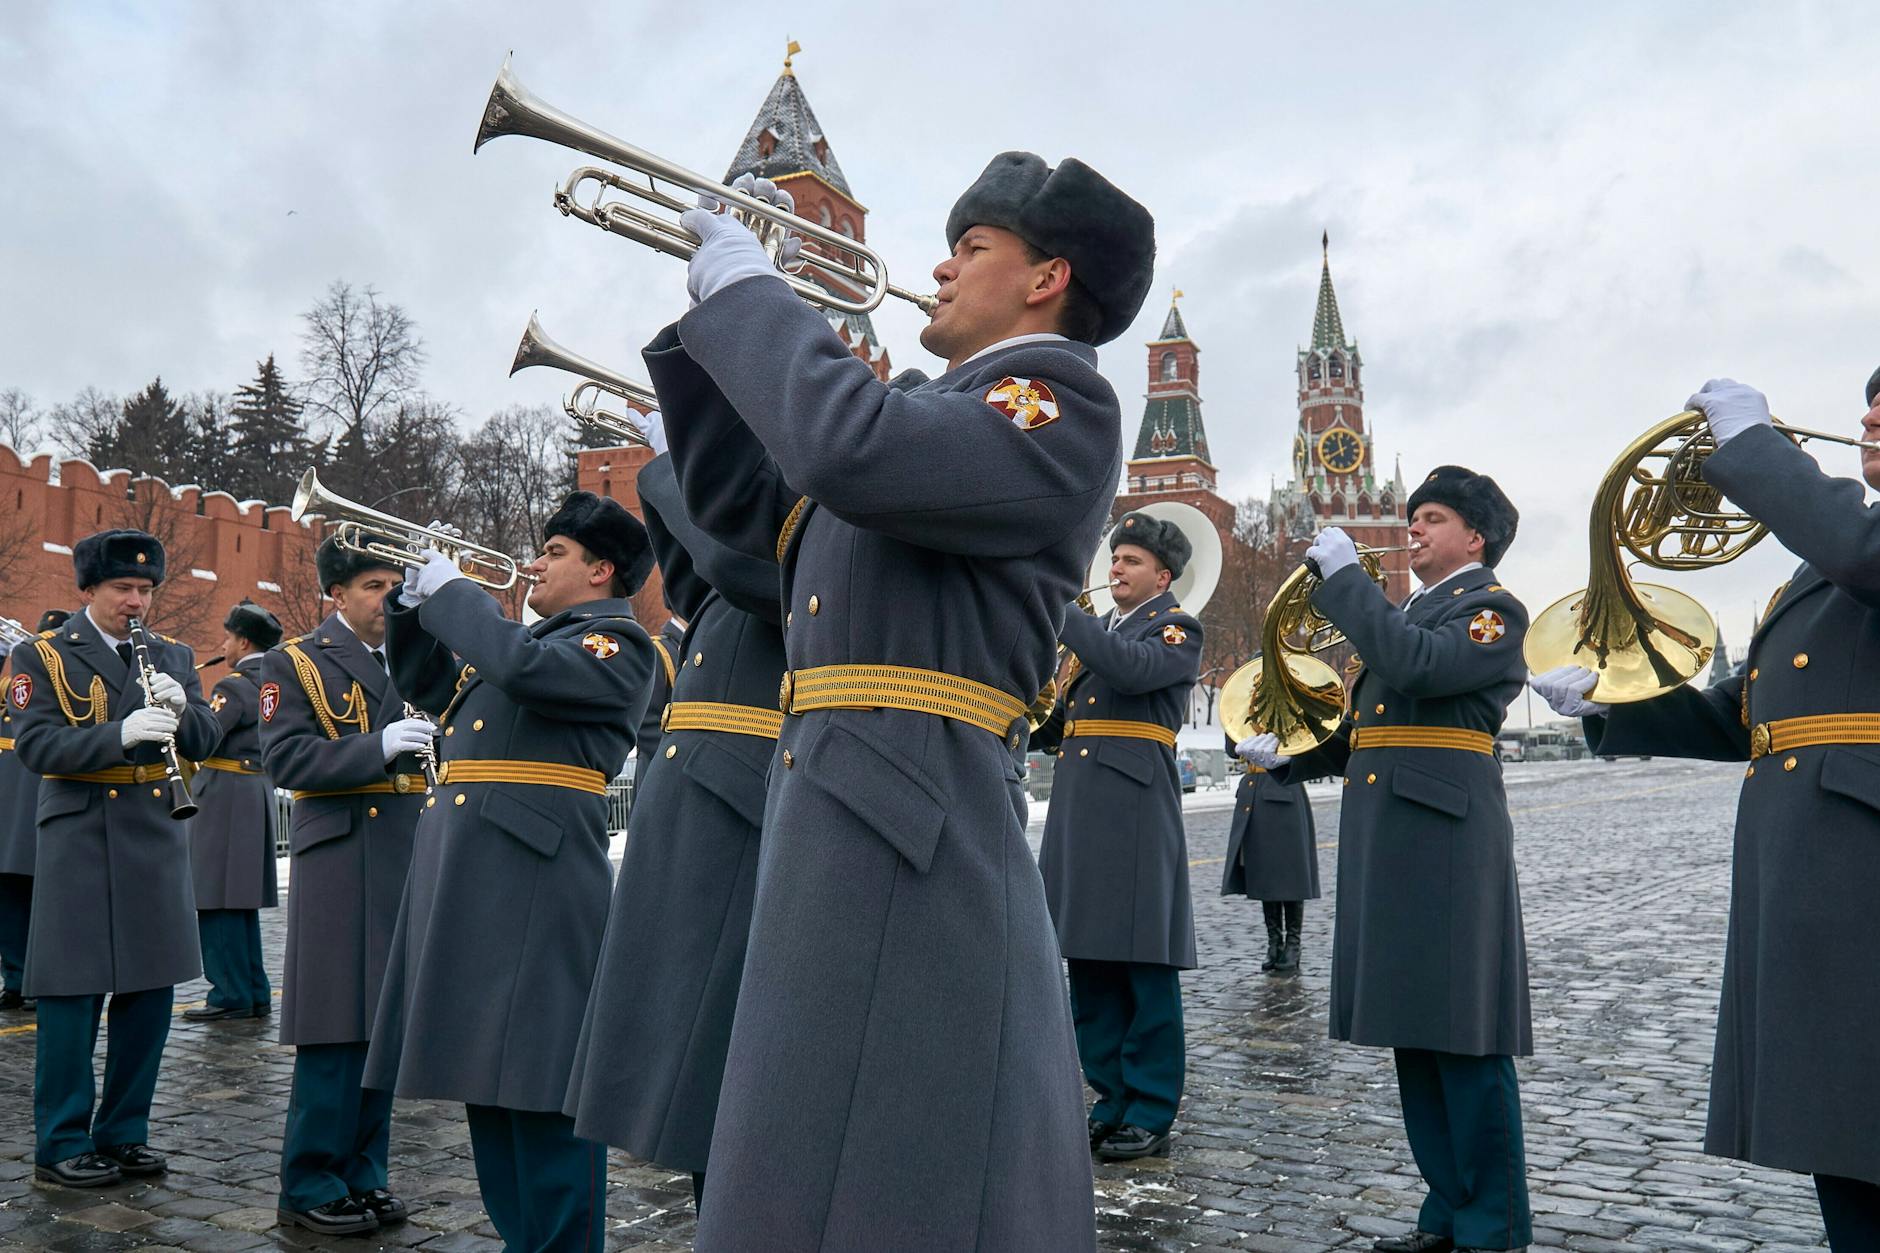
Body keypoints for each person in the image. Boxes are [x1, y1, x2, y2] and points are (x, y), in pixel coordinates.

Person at [646, 151, 1154, 1249]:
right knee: (809, 1132)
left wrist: (755, 297)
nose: (937, 265)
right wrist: (708, 326)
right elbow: (744, 513)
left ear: (1043, 278)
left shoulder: (1050, 397)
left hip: (907, 808)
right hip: (842, 793)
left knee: (899, 1153)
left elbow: (847, 447)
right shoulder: (932, 412)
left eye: (969, 247)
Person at [1530, 373, 1880, 1250]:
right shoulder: (1823, 565)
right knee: (1845, 1134)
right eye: (1870, 401)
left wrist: (1757, 453)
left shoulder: (1851, 548)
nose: (1868, 415)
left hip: (1860, 867)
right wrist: (1611, 704)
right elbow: (1743, 713)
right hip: (1817, 873)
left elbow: (1860, 548)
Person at [1242, 467, 1531, 1253]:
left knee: (1465, 1036)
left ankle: (1494, 1224)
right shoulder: (1412, 610)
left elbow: (1418, 669)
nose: (1416, 529)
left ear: (1474, 537)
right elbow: (1361, 731)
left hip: (1445, 837)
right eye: (1414, 516)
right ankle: (1447, 1210)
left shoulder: (1489, 609)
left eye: (1432, 518)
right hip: (1396, 837)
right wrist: (1286, 760)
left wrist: (1345, 584)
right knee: (1417, 1029)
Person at [365, 492, 655, 1253]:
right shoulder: (538, 641)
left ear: (601, 569)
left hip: (537, 880)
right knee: (488, 1089)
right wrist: (410, 601)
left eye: (554, 552)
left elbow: (520, 665)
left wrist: (456, 590)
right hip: (477, 879)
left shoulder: (615, 643)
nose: (534, 562)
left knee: (544, 1092)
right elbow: (432, 685)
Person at [566, 447, 785, 1209]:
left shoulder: (816, 521)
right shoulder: (752, 546)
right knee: (697, 1078)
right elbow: (703, 576)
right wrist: (682, 461)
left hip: (740, 799)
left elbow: (755, 574)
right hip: (701, 800)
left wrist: (681, 459)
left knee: (722, 1072)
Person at [10, 531, 218, 1188]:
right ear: (89, 590)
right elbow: (36, 745)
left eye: (144, 589)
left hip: (153, 833)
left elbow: (210, 739)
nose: (135, 600)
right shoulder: (40, 653)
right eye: (122, 588)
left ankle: (124, 1130)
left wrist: (185, 715)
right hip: (79, 833)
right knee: (72, 995)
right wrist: (117, 735)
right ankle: (61, 1139)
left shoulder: (172, 653)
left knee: (149, 994)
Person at [261, 538, 427, 1236]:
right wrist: (377, 747)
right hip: (339, 854)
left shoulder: (418, 656)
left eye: (394, 582)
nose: (386, 596)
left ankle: (364, 1170)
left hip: (404, 851)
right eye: (371, 584)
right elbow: (284, 757)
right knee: (334, 1027)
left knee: (381, 1027)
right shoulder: (293, 661)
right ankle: (309, 1180)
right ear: (337, 594)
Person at [1033, 511, 1203, 1161]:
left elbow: (1130, 670)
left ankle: (1153, 1107)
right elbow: (1062, 715)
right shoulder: (1094, 634)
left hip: (1134, 808)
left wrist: (1062, 611)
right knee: (1091, 961)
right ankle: (1110, 1098)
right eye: (1115, 558)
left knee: (1144, 963)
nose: (1117, 569)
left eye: (1131, 561)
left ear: (1162, 575)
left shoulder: (1175, 628)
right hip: (1081, 809)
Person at [184, 600, 284, 1023]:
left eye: (227, 637)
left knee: (215, 898)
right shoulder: (277, 682)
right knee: (239, 902)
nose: (223, 645)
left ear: (243, 641)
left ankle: (228, 992)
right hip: (254, 790)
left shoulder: (234, 686)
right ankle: (253, 989)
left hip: (224, 795)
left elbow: (204, 738)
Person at [0, 609, 69, 1013]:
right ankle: (17, 978)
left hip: (42, 807)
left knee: (46, 905)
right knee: (9, 902)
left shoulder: (70, 688)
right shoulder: (16, 686)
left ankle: (41, 980)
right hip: (9, 816)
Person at [1223, 726, 1319, 975]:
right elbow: (1232, 751)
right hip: (1254, 790)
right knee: (1264, 873)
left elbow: (1304, 742)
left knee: (1290, 872)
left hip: (1283, 785)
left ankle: (1293, 945)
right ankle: (1274, 942)